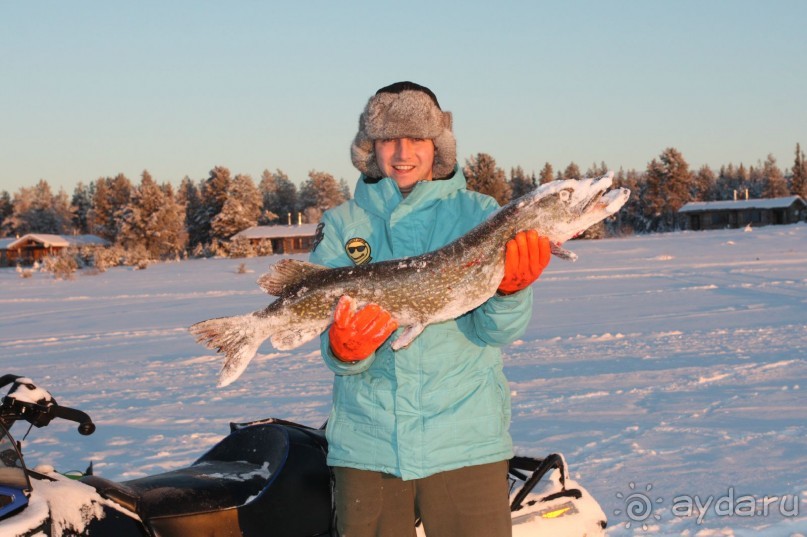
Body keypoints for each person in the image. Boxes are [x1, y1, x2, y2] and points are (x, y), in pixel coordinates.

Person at [309, 81, 550, 537]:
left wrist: (510, 292)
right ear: (370, 148)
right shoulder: (343, 223)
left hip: (465, 441)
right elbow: (333, 348)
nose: (403, 152)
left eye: (417, 138)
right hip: (368, 445)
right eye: (389, 139)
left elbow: (494, 332)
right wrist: (345, 351)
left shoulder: (480, 213)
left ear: (437, 146)